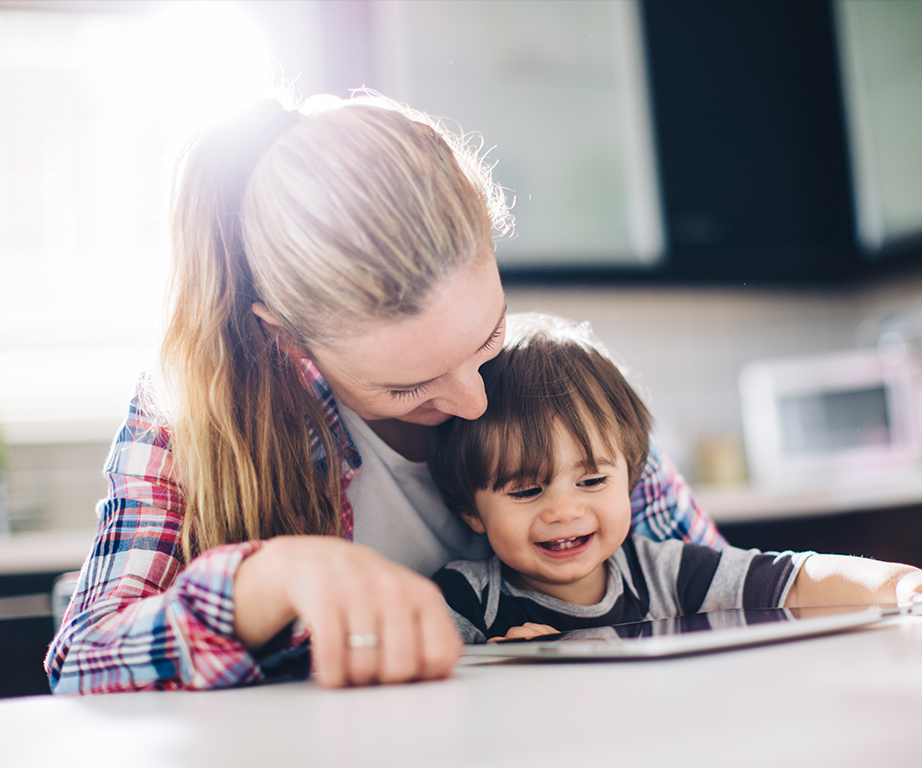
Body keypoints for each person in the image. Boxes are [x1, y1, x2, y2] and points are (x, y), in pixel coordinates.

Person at [46, 93, 723, 694]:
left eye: (487, 337)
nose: (474, 400)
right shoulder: (191, 420)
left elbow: (714, 590)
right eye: (409, 386)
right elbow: (82, 662)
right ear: (289, 340)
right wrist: (271, 579)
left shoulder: (556, 388)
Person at [427, 313, 922, 643]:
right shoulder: (467, 599)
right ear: (471, 508)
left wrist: (901, 585)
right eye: (528, 490)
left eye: (592, 481)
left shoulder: (664, 571)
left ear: (633, 476)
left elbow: (794, 582)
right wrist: (489, 661)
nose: (564, 511)